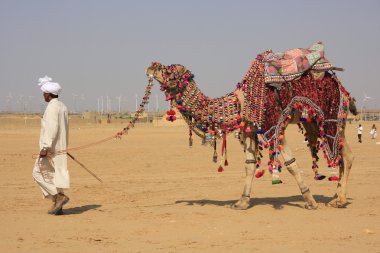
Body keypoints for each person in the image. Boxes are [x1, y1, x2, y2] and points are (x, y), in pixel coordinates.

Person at [32, 76, 70, 215]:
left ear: (48, 93)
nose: (43, 95)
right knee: (55, 176)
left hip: (50, 149)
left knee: (37, 173)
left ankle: (58, 197)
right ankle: (58, 206)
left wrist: (45, 147)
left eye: (44, 93)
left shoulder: (52, 107)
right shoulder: (62, 106)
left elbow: (52, 128)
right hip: (59, 148)